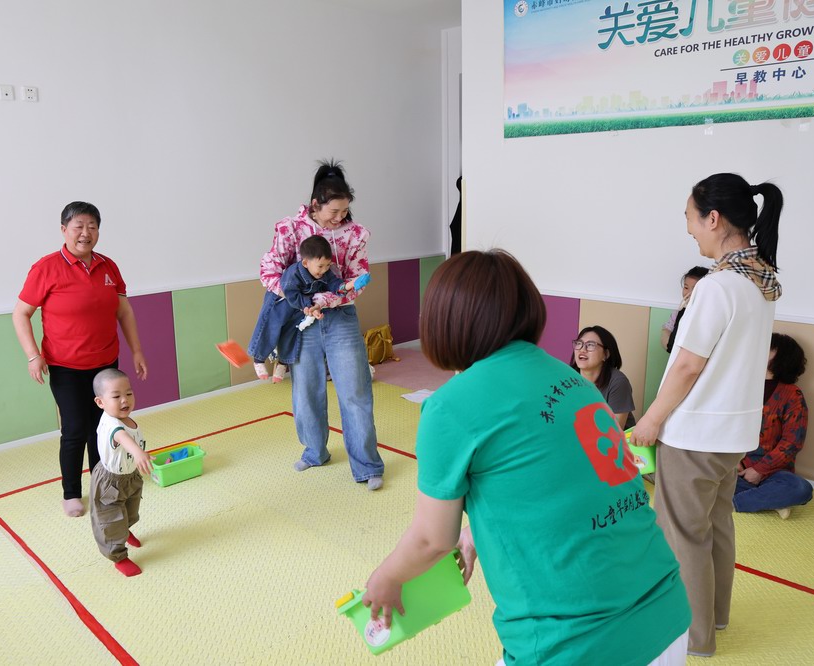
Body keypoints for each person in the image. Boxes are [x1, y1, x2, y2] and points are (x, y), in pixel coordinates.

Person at [363, 250, 691, 665]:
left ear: (446, 321)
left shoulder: (449, 407)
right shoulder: (572, 379)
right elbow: (567, 481)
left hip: (576, 641)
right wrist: (475, 533)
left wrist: (387, 577)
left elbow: (432, 539)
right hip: (665, 611)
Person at [630, 173, 784, 657]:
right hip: (733, 434)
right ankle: (715, 617)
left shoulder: (718, 287)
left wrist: (651, 420)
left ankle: (692, 638)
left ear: (713, 218)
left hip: (696, 433)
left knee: (683, 536)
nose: (689, 229)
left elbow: (688, 366)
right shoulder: (759, 282)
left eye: (690, 218)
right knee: (717, 526)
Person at [13, 202, 148, 517]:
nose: (86, 233)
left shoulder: (108, 266)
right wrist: (33, 356)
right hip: (66, 366)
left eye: (92, 226)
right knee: (75, 429)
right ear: (64, 230)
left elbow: (124, 311)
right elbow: (21, 313)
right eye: (79, 226)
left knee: (104, 426)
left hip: (106, 364)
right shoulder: (45, 268)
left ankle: (103, 483)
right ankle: (71, 492)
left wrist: (137, 350)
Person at [258, 161, 384, 490]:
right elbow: (269, 270)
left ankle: (368, 465)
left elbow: (357, 279)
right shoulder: (290, 229)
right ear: (316, 204)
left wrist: (326, 300)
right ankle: (315, 452)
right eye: (334, 211)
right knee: (306, 392)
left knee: (356, 391)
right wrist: (297, 298)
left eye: (345, 211)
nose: (340, 218)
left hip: (340, 316)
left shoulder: (355, 235)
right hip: (302, 320)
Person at [248, 235, 360, 383]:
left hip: (300, 306)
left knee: (292, 332)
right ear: (306, 263)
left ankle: (283, 362)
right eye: (320, 266)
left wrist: (346, 286)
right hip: (281, 301)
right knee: (271, 326)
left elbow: (333, 283)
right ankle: (259, 358)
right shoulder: (293, 274)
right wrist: (309, 307)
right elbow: (291, 294)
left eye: (327, 265)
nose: (324, 270)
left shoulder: (324, 271)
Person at [735, 333, 813, 519]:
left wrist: (759, 470)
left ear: (782, 357)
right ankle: (771, 502)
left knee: (800, 488)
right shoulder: (740, 384)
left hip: (774, 472)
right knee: (697, 474)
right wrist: (734, 462)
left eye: (769, 348)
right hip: (734, 467)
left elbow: (792, 442)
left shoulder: (792, 394)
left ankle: (732, 502)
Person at [90, 368, 151, 577]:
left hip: (130, 477)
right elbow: (122, 437)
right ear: (100, 402)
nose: (125, 400)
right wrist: (138, 453)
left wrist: (140, 456)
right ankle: (119, 557)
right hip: (110, 482)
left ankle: (125, 530)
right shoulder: (112, 424)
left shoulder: (126, 418)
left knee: (130, 511)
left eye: (129, 393)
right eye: (116, 396)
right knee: (111, 520)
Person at [570, 325, 637, 429]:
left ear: (605, 354)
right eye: (579, 344)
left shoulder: (618, 382)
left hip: (612, 438)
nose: (582, 349)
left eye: (590, 345)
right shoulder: (568, 378)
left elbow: (614, 430)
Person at [661, 266, 709, 352]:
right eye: (686, 287)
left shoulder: (707, 315)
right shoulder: (679, 312)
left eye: (695, 289)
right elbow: (667, 332)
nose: (688, 293)